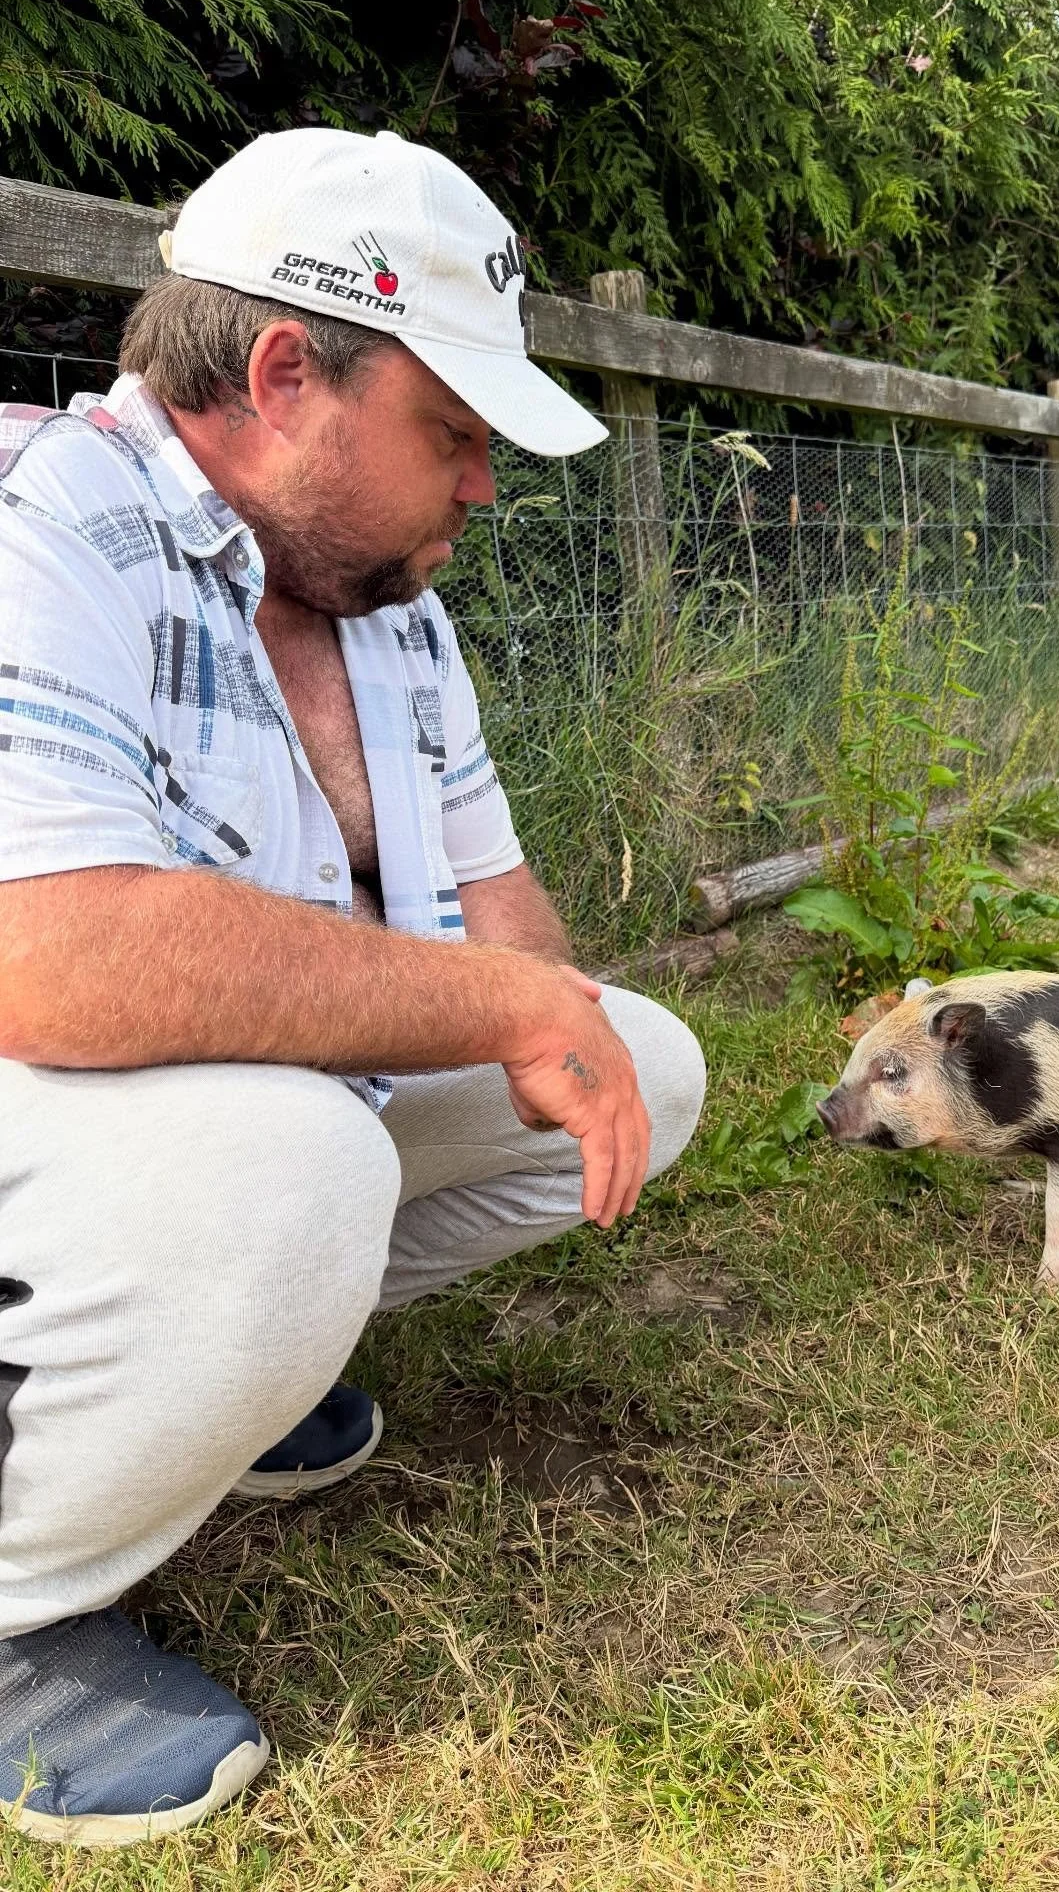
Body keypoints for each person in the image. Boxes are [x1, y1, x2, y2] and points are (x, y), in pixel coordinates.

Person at [0, 127, 705, 1847]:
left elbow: (501, 913)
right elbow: (53, 959)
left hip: (159, 1119)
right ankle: (18, 1613)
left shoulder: (385, 604)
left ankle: (221, 1353)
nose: (481, 486)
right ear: (284, 373)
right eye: (453, 434)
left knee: (648, 1063)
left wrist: (549, 1017)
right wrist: (500, 1014)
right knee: (291, 1173)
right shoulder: (42, 532)